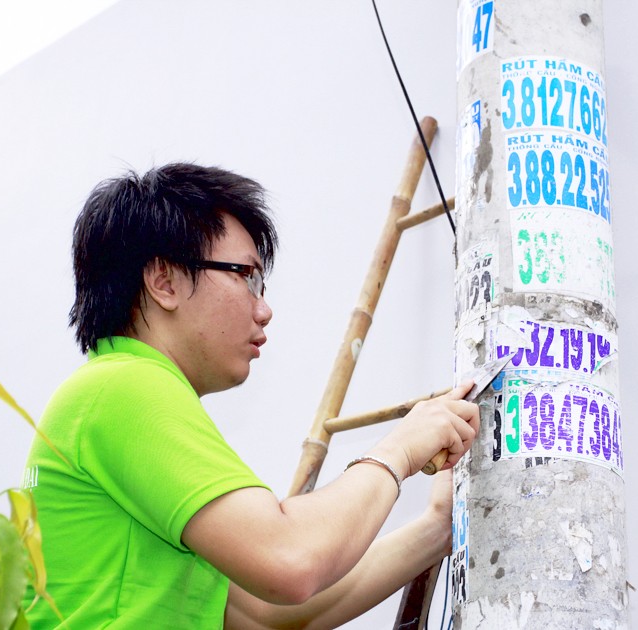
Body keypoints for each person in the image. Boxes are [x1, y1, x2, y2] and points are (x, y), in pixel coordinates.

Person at [23, 162, 480, 629]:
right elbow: (290, 559)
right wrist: (401, 449)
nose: (263, 309)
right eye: (245, 275)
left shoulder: (108, 397)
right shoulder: (125, 388)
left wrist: (435, 527)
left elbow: (264, 614)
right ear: (164, 281)